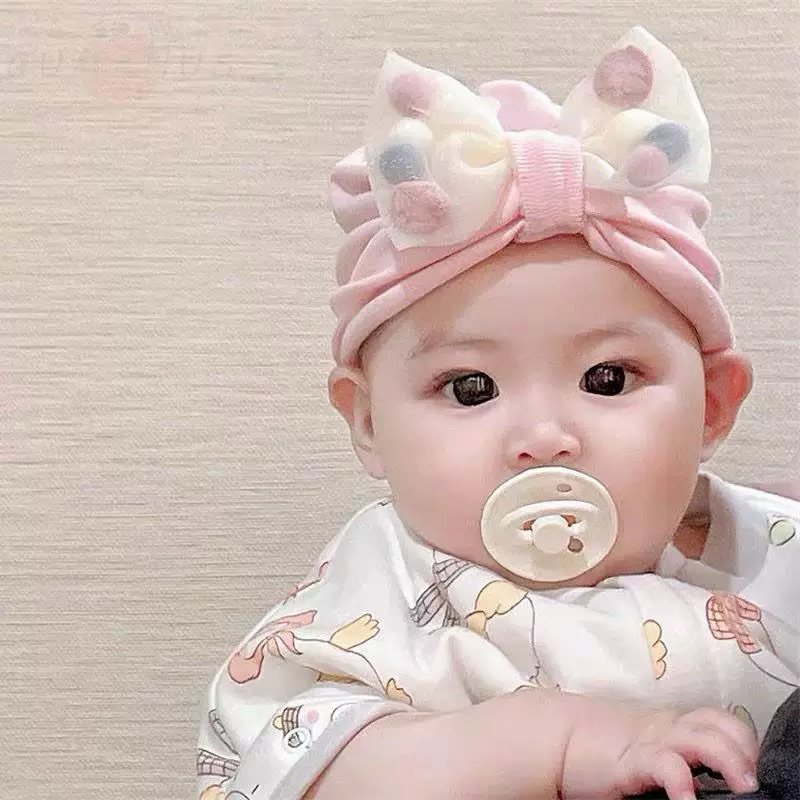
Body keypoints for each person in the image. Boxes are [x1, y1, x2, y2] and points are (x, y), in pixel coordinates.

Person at [196, 27, 800, 800]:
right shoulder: (380, 595)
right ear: (368, 422)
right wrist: (560, 742)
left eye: (608, 377)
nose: (543, 438)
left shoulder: (765, 553)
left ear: (712, 406)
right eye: (470, 389)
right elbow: (300, 769)